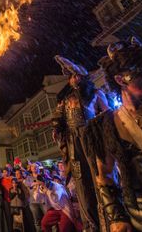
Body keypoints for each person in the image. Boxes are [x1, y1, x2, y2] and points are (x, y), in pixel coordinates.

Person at [84, 37, 142, 231]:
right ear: (121, 79)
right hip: (140, 224)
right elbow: (104, 175)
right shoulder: (105, 125)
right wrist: (116, 217)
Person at [52, 55, 109, 232]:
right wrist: (57, 131)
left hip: (92, 138)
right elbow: (57, 121)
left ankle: (109, 220)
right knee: (82, 184)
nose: (74, 78)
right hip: (74, 144)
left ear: (83, 77)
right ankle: (91, 225)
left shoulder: (96, 93)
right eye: (71, 76)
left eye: (77, 75)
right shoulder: (64, 101)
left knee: (101, 179)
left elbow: (107, 114)